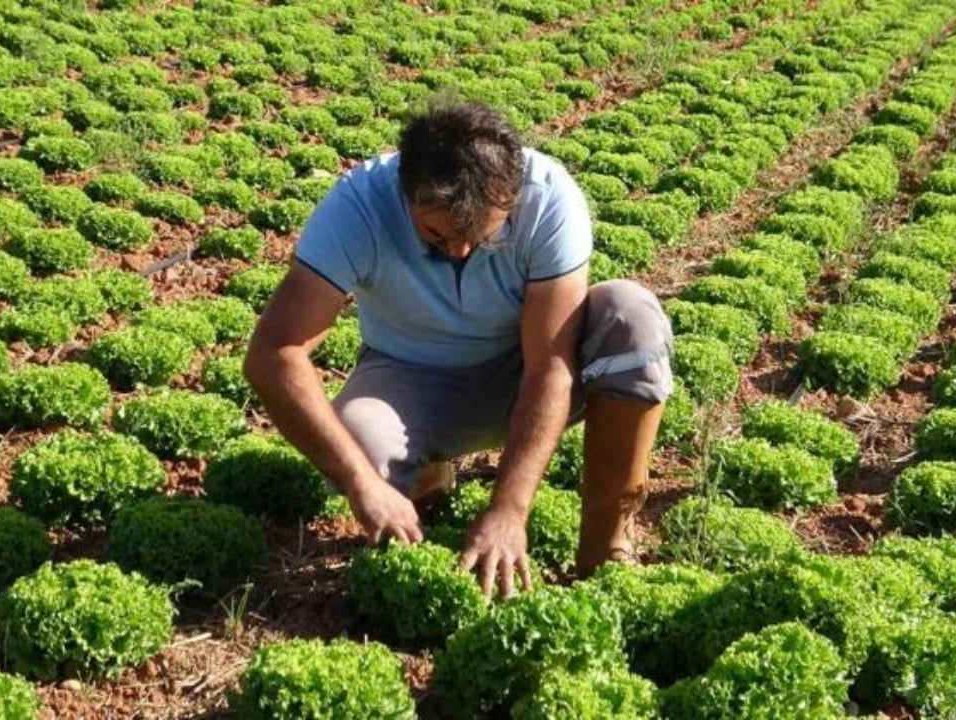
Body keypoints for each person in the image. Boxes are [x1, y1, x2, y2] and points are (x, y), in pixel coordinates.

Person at [244, 99, 673, 600]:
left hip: (523, 370)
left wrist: (509, 509)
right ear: (406, 193)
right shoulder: (359, 206)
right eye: (439, 233)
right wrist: (362, 483)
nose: (461, 250)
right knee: (361, 445)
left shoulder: (549, 199)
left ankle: (604, 546)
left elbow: (550, 370)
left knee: (631, 316)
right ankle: (425, 480)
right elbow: (274, 353)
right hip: (409, 373)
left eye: (482, 235)